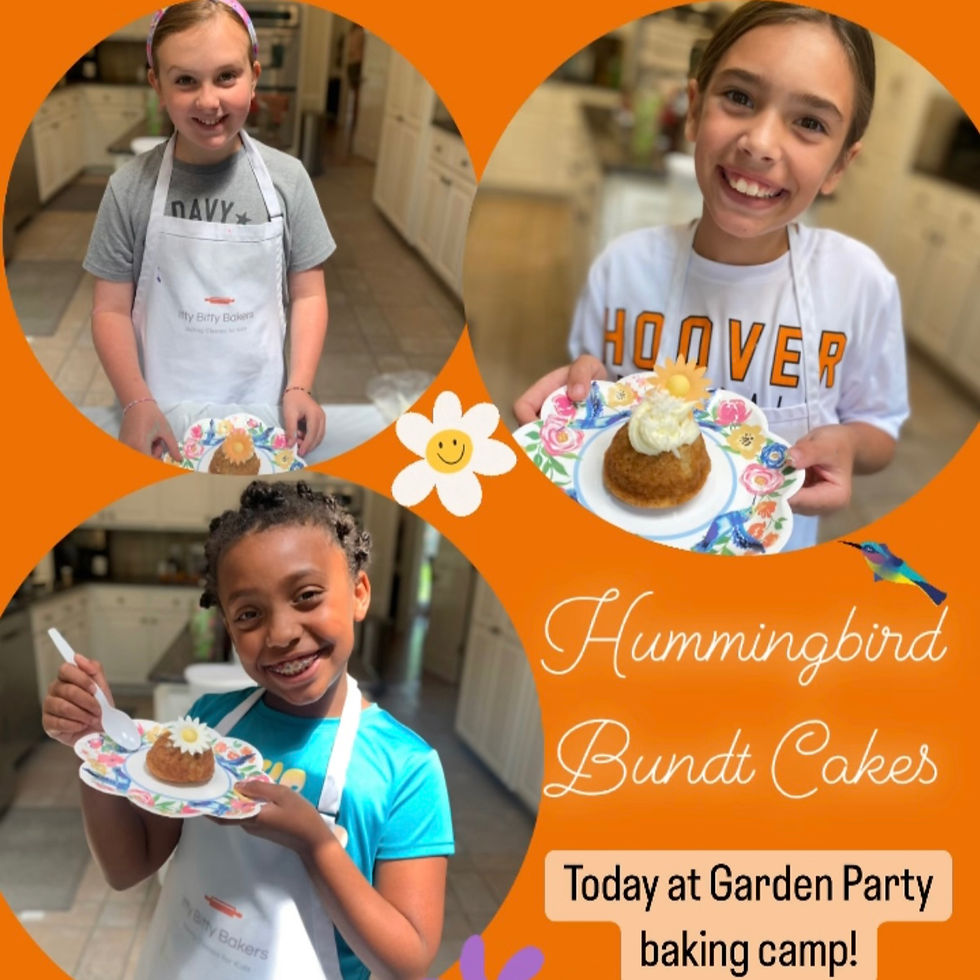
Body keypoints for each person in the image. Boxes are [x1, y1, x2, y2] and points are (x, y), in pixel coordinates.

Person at [515, 1, 909, 550]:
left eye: (810, 123)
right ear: (695, 111)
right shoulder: (623, 267)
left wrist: (848, 443)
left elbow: (880, 430)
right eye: (740, 97)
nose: (760, 143)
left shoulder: (859, 285)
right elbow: (596, 387)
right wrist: (578, 393)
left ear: (840, 165)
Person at [42, 481, 454, 980]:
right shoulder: (210, 725)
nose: (281, 634)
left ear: (359, 593)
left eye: (306, 596)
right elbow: (128, 867)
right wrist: (97, 748)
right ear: (229, 630)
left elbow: (407, 961)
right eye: (249, 615)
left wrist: (316, 844)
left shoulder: (406, 768)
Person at [84, 1, 331, 460]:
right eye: (185, 80)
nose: (208, 101)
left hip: (263, 411)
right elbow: (110, 310)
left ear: (253, 75)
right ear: (157, 84)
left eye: (226, 76)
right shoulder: (128, 189)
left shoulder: (289, 181)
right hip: (161, 412)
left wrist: (300, 385)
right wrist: (137, 402)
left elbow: (310, 295)